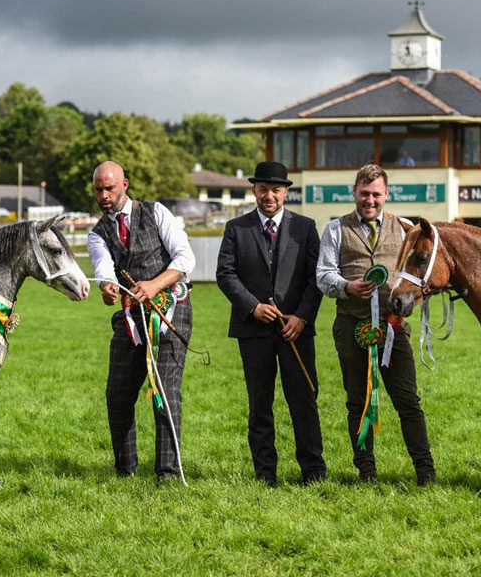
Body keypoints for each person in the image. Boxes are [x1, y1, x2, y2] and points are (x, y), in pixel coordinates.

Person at [316, 164, 436, 486]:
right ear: (354, 192)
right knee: (358, 401)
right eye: (364, 193)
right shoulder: (335, 229)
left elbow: (421, 278)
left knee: (408, 402)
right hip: (351, 325)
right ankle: (366, 472)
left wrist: (411, 303)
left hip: (394, 328)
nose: (370, 200)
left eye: (376, 194)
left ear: (387, 195)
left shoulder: (406, 229)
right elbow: (323, 276)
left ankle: (426, 473)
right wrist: (347, 287)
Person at [216, 161, 325, 487]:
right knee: (260, 404)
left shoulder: (305, 228)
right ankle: (265, 474)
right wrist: (252, 307)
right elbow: (225, 274)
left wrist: (302, 318)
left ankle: (314, 473)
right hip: (253, 332)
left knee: (303, 401)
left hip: (296, 331)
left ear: (286, 192)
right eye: (262, 189)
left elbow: (314, 277)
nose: (269, 195)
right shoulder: (236, 228)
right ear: (254, 190)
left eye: (275, 190)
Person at [87, 161, 195, 482]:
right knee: (117, 394)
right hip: (130, 316)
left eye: (109, 188)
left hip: (172, 310)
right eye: (98, 189)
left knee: (164, 390)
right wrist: (106, 287)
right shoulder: (97, 235)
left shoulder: (156, 212)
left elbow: (185, 258)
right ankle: (125, 470)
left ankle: (167, 473)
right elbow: (103, 268)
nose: (104, 195)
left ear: (125, 184)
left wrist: (154, 284)